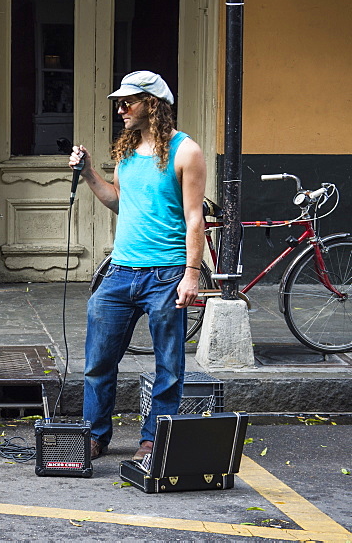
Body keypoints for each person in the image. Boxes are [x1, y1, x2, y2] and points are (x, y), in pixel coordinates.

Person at [69, 70, 207, 463]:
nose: (121, 108)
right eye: (119, 102)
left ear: (153, 104)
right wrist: (89, 173)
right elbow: (118, 201)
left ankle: (153, 438)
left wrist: (191, 275)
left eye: (128, 101)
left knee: (170, 365)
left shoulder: (186, 151)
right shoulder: (127, 152)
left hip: (166, 274)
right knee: (98, 360)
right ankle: (95, 435)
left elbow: (194, 218)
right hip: (120, 272)